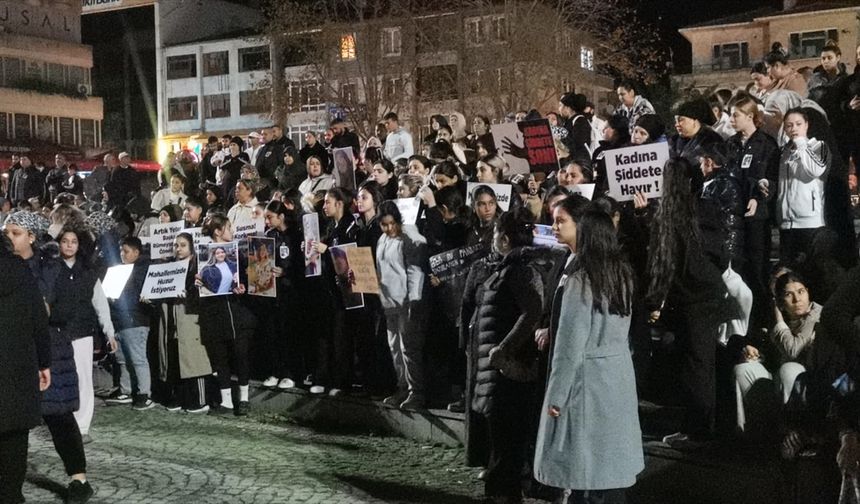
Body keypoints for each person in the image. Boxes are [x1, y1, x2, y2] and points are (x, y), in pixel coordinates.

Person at [534, 209, 643, 502]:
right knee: (611, 471)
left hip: (587, 384)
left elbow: (569, 346)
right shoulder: (621, 274)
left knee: (586, 471)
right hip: (617, 379)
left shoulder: (581, 282)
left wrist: (556, 397)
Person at [3, 211, 95, 503]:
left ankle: (78, 477)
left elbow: (68, 307)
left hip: (51, 350)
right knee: (13, 421)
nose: (9, 237)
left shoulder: (51, 267)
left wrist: (43, 311)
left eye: (15, 232)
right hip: (16, 353)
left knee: (58, 416)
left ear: (31, 237)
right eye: (6, 231)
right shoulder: (8, 266)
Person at [461, 208, 544, 502]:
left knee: (505, 452)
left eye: (496, 233)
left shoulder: (518, 270)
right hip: (496, 373)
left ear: (505, 238)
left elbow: (532, 311)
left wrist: (503, 350)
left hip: (506, 375)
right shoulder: (507, 268)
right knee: (500, 448)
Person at [646, 158, 729, 446]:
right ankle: (695, 427)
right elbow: (720, 254)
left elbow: (663, 263)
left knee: (697, 365)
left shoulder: (670, 214)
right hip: (701, 294)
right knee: (696, 363)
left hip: (693, 297)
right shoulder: (700, 209)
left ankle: (699, 431)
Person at [733, 272, 822, 434]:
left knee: (789, 369)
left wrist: (779, 321)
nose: (797, 299)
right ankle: (754, 433)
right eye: (789, 295)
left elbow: (792, 350)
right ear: (780, 301)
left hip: (811, 386)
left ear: (808, 292)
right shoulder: (779, 319)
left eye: (801, 291)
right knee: (744, 369)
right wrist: (755, 354)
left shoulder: (816, 314)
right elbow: (772, 356)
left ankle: (793, 432)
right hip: (780, 384)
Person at [0, 232, 51, 504]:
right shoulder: (22, 273)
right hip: (18, 365)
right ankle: (11, 494)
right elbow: (38, 319)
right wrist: (44, 362)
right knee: (15, 435)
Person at [56, 226, 117, 441]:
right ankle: (64, 424)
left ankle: (81, 427)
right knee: (61, 379)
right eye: (65, 241)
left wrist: (109, 332)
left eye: (73, 241)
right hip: (58, 331)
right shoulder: (52, 270)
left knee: (83, 378)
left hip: (82, 331)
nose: (69, 245)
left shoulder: (88, 273)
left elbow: (100, 304)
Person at [726, 97, 780, 333]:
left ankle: (762, 323)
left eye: (736, 115)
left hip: (757, 217)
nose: (731, 119)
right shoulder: (731, 144)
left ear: (750, 116)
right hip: (734, 216)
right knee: (737, 270)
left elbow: (771, 177)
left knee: (757, 270)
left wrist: (759, 196)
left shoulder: (766, 144)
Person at [198, 214, 257, 416]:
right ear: (218, 231)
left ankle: (244, 399)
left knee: (241, 355)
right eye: (228, 227)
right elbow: (200, 285)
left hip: (236, 311)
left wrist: (243, 286)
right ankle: (227, 402)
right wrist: (198, 282)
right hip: (215, 312)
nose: (232, 231)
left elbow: (249, 277)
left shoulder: (237, 255)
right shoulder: (203, 260)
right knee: (220, 356)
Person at [151, 233, 211, 414]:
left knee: (193, 360)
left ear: (191, 247)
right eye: (176, 245)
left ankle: (198, 401)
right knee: (174, 359)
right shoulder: (169, 267)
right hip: (171, 319)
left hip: (189, 319)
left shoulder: (198, 267)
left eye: (183, 245)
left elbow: (205, 292)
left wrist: (190, 293)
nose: (178, 249)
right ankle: (177, 397)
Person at [376, 201, 428, 409]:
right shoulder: (382, 240)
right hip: (389, 302)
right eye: (384, 224)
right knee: (395, 348)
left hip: (406, 302)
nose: (389, 228)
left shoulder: (407, 237)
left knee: (409, 348)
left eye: (392, 223)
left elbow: (414, 270)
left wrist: (414, 299)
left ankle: (417, 391)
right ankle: (403, 387)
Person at [774, 108, 830, 263]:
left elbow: (815, 170)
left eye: (798, 124)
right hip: (786, 222)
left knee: (811, 267)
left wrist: (801, 144)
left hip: (810, 221)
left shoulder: (819, 146)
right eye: (789, 125)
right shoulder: (784, 152)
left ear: (806, 125)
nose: (794, 129)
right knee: (788, 268)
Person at [106, 237, 154, 410]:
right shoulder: (120, 270)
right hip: (120, 320)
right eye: (121, 251)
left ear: (136, 252)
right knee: (122, 359)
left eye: (125, 251)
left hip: (134, 320)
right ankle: (126, 390)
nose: (122, 254)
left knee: (137, 358)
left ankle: (144, 393)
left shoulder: (142, 270)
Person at [261, 201, 305, 390]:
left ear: (281, 216)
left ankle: (291, 374)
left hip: (291, 292)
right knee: (273, 333)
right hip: (272, 293)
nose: (267, 221)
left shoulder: (296, 235)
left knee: (290, 333)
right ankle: (276, 371)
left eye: (270, 217)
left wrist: (285, 272)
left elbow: (302, 265)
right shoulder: (269, 236)